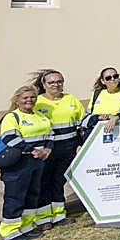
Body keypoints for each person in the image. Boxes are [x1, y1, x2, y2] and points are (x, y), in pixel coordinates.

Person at [0, 86, 53, 240]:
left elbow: (50, 134)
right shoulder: (12, 117)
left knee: (32, 194)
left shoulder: (40, 116)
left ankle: (26, 226)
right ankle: (10, 232)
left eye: (32, 97)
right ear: (17, 100)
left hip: (37, 161)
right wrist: (32, 150)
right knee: (15, 197)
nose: (29, 100)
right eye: (25, 97)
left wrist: (47, 149)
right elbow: (9, 138)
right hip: (19, 163)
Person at [32, 69, 84, 227]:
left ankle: (59, 215)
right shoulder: (37, 102)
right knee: (44, 182)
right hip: (47, 149)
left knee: (59, 181)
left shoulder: (71, 99)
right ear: (44, 84)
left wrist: (80, 143)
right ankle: (43, 218)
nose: (56, 84)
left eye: (59, 81)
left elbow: (81, 123)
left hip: (68, 147)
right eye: (51, 82)